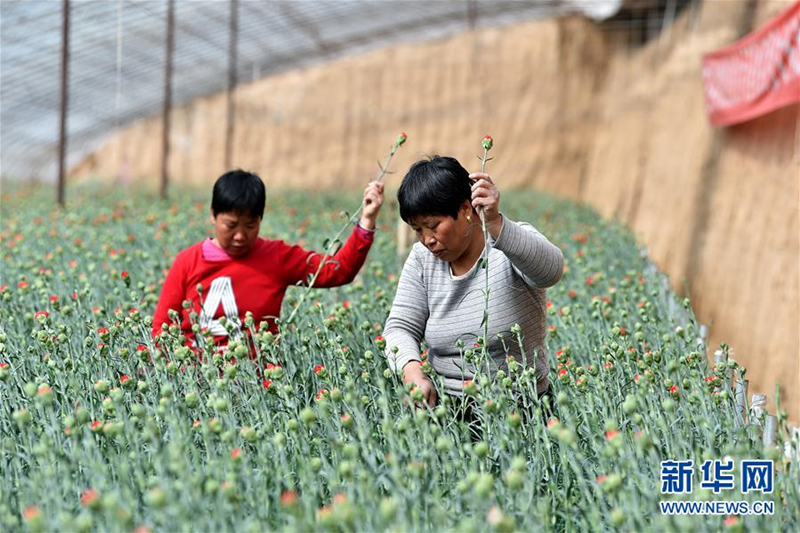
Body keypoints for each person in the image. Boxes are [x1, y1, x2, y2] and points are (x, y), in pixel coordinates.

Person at [382, 155, 564, 420]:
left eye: (433, 226)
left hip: (524, 411)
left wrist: (497, 225)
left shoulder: (510, 242)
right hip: (449, 415)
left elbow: (551, 271)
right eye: (418, 229)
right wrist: (411, 372)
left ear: (466, 209)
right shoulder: (421, 259)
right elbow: (399, 328)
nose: (427, 240)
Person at [152, 169, 384, 354]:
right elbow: (160, 330)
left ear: (261, 219)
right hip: (195, 385)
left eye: (250, 226)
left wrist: (367, 220)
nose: (240, 235)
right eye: (231, 225)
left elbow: (337, 271)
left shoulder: (276, 257)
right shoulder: (187, 262)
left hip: (260, 390)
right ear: (213, 214)